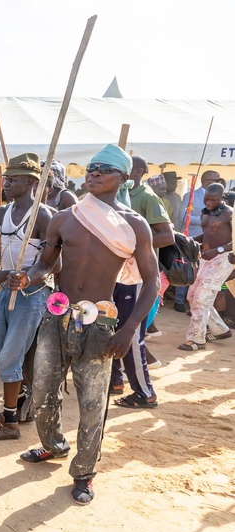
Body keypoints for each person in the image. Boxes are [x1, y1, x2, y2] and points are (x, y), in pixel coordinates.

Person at [7, 144, 158, 505]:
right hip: (57, 316)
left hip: (101, 323)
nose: (93, 173)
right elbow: (46, 266)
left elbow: (151, 282)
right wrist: (28, 278)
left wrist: (127, 330)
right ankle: (53, 445)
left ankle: (86, 471)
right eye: (91, 168)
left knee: (92, 402)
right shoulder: (65, 218)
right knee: (42, 392)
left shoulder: (133, 225)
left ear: (123, 177)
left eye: (104, 169)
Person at [0, 153, 55, 440]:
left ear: (32, 182)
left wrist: (22, 276)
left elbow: (51, 264)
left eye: (13, 179)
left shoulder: (42, 216)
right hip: (8, 292)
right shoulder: (1, 213)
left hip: (32, 296)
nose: (6, 183)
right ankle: (17, 407)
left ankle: (9, 423)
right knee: (0, 354)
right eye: (6, 178)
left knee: (10, 358)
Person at [108, 156, 174, 408]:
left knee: (132, 334)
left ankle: (145, 393)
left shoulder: (146, 197)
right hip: (114, 273)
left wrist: (131, 246)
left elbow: (166, 236)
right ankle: (115, 381)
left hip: (136, 274)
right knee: (109, 326)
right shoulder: (109, 199)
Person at [179, 184, 233, 351]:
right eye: (206, 199)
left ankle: (196, 339)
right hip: (206, 257)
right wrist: (191, 241)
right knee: (193, 295)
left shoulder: (230, 214)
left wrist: (219, 250)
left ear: (222, 198)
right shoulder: (206, 212)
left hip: (224, 258)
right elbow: (209, 234)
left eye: (213, 200)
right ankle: (220, 329)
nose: (209, 203)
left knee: (201, 299)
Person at [175, 170, 221, 312]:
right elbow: (184, 215)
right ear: (206, 180)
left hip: (211, 242)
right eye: (216, 179)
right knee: (186, 268)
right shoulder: (191, 196)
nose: (218, 182)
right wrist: (204, 221)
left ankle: (194, 302)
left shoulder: (219, 198)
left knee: (201, 272)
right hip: (193, 237)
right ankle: (179, 301)